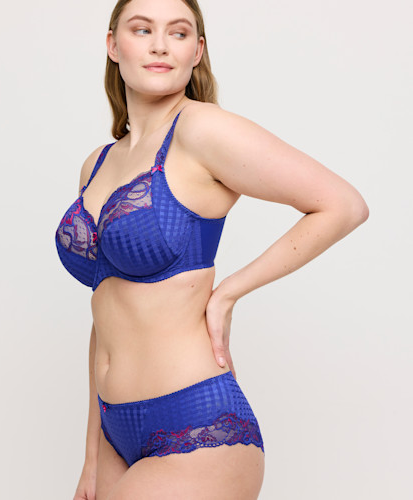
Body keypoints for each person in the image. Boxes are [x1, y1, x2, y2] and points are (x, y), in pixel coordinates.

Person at [55, 0, 369, 498]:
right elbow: (107, 310)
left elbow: (342, 205)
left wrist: (229, 292)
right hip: (113, 435)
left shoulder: (201, 130)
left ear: (197, 51)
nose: (160, 45)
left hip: (196, 426)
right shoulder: (97, 163)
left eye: (178, 33)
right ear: (113, 45)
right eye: (142, 30)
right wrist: (91, 457)